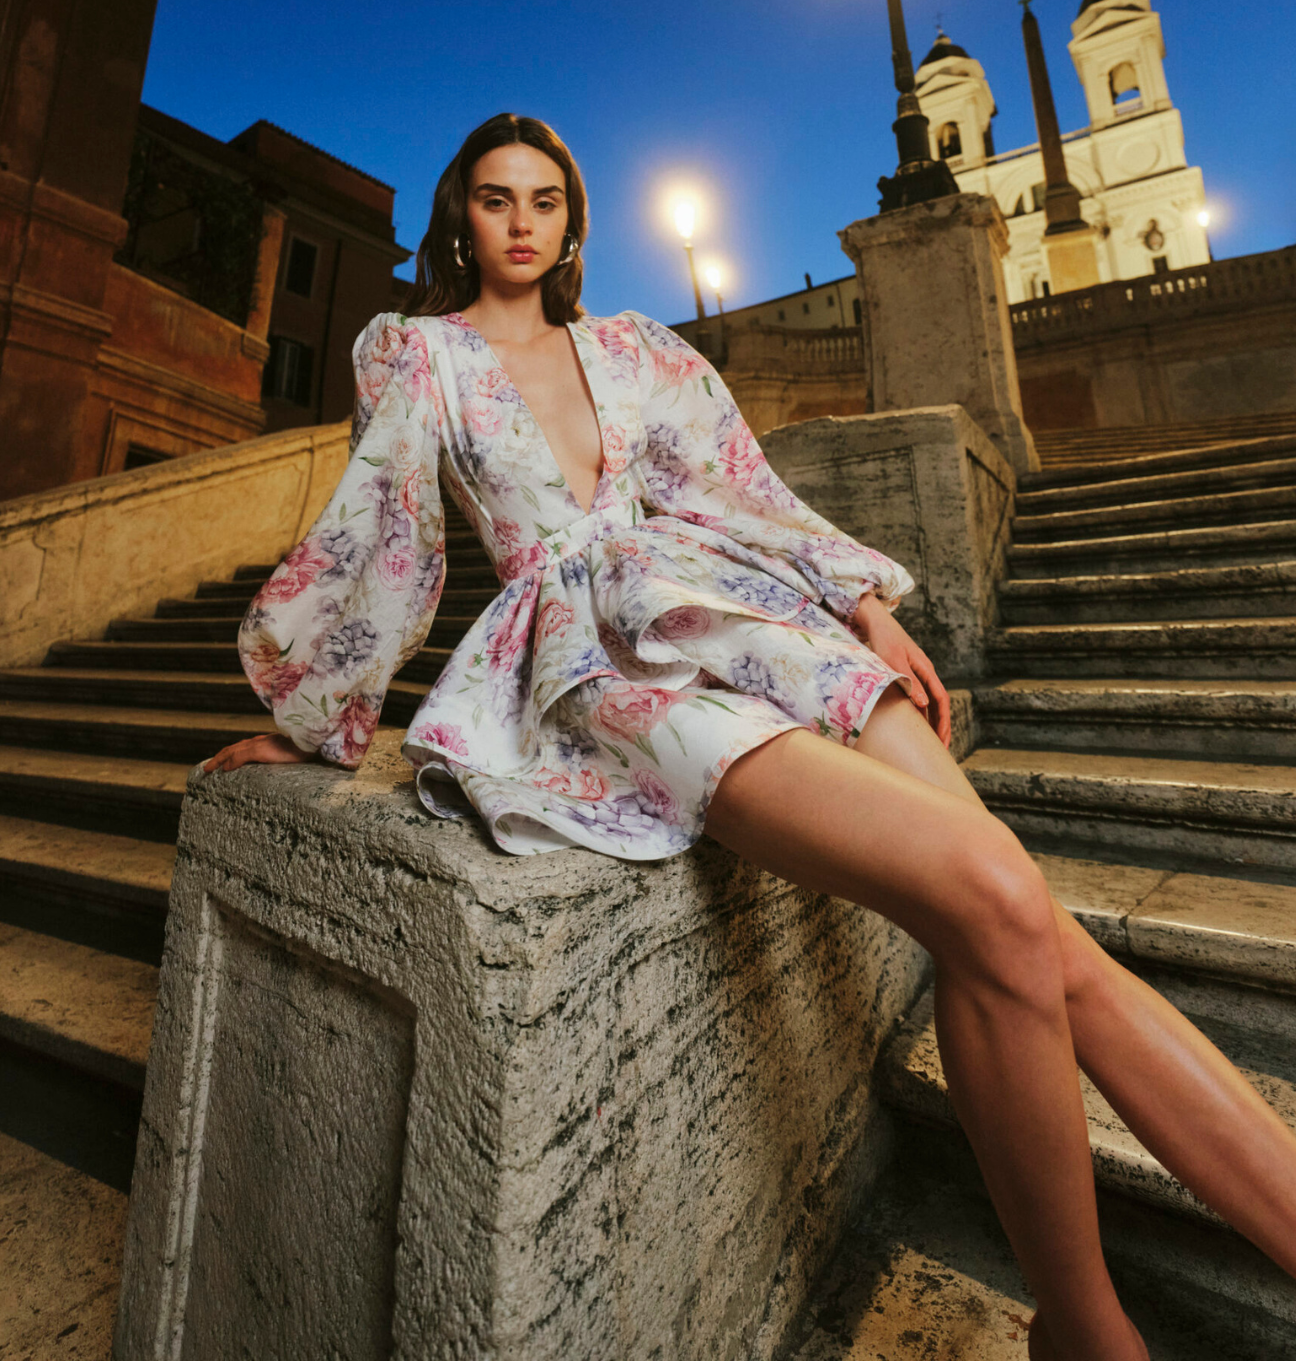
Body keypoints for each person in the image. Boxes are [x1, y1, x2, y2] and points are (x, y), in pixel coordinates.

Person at [205, 112, 1296, 1361]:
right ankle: (1095, 1333)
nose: (519, 221)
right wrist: (314, 717)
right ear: (462, 215)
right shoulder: (415, 355)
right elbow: (384, 535)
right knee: (994, 893)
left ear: (573, 221)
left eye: (545, 200)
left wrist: (867, 608)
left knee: (1037, 931)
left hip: (748, 611)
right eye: (495, 198)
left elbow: (739, 487)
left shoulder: (633, 348)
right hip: (594, 658)